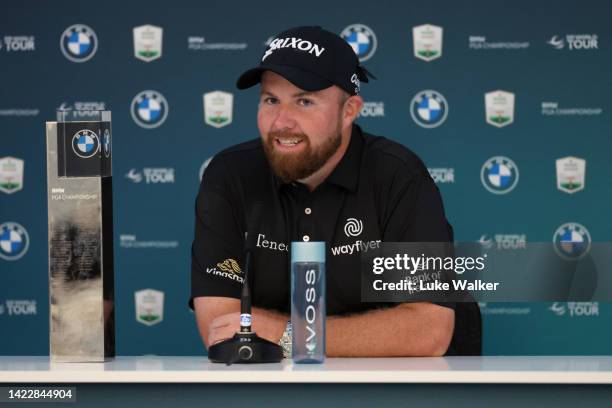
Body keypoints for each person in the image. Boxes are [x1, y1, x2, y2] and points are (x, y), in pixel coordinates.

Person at [190, 26, 480, 357]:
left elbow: (429, 330)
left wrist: (288, 333)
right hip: (281, 390)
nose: (282, 121)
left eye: (305, 101)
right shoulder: (230, 175)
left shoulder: (397, 174)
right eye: (271, 100)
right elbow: (220, 326)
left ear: (349, 111)